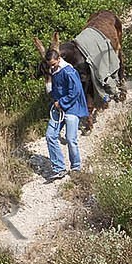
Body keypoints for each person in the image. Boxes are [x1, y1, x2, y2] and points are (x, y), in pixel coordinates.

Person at [45, 53, 89, 181]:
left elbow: (75, 91)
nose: (51, 67)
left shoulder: (69, 71)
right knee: (50, 135)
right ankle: (59, 168)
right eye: (50, 65)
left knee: (70, 139)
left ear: (59, 59)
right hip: (59, 108)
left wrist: (61, 103)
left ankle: (76, 167)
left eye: (53, 64)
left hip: (71, 108)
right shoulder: (54, 71)